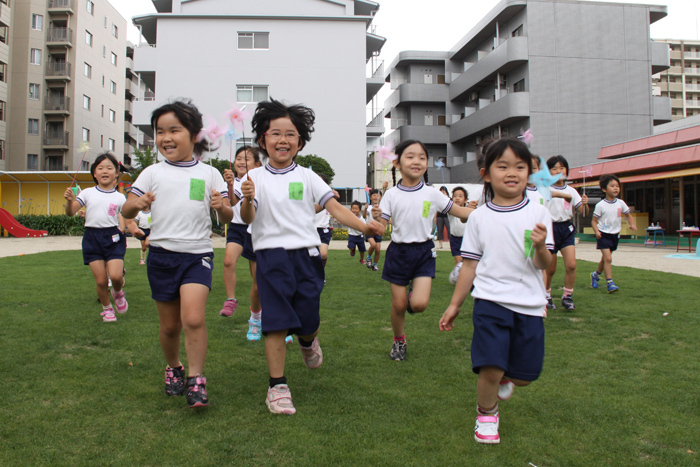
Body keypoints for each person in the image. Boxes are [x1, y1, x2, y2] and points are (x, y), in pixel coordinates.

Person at [240, 98, 383, 415]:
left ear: (300, 142)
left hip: (305, 258)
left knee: (309, 320)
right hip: (269, 257)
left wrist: (363, 226)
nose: (282, 140)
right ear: (263, 140)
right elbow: (248, 218)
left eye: (290, 134)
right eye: (275, 133)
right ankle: (277, 387)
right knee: (275, 323)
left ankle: (307, 341)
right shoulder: (253, 180)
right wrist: (247, 199)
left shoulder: (308, 176)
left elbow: (334, 208)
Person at [439, 137, 554, 445]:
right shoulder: (479, 217)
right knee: (490, 367)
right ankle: (486, 414)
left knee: (525, 377)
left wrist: (542, 245)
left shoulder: (539, 213)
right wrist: (455, 305)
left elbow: (544, 263)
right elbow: (470, 267)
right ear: (487, 173)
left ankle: (507, 377)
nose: (512, 172)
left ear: (529, 173)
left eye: (520, 166)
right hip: (489, 302)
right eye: (502, 166)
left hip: (529, 305)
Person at [122, 99, 233, 408]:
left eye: (174, 130)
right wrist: (138, 203)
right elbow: (126, 208)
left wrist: (221, 207)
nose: (166, 138)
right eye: (160, 131)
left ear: (194, 135)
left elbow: (226, 217)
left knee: (194, 319)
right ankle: (173, 368)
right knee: (170, 326)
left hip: (197, 254)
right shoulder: (151, 173)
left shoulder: (210, 174)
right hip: (160, 256)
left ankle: (196, 381)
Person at [373, 140, 474, 361]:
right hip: (398, 253)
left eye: (421, 157)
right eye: (410, 156)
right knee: (399, 305)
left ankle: (411, 292)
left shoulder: (433, 193)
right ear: (398, 163)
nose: (416, 161)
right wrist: (375, 218)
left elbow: (459, 212)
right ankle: (399, 341)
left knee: (418, 305)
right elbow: (381, 227)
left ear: (427, 163)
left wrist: (482, 212)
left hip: (424, 254)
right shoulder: (390, 195)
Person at [64, 152, 128, 323]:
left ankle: (118, 292)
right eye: (100, 168)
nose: (104, 171)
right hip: (92, 238)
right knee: (100, 281)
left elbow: (127, 215)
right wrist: (70, 201)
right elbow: (71, 212)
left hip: (113, 236)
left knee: (115, 276)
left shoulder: (120, 197)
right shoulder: (87, 193)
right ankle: (107, 309)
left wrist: (134, 228)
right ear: (94, 173)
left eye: (109, 168)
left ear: (116, 173)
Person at [220, 146, 267, 343]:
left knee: (271, 284)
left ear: (257, 165)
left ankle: (280, 322)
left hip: (262, 231)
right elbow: (231, 203)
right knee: (229, 262)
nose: (240, 161)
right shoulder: (239, 183)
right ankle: (239, 306)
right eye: (238, 158)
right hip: (241, 229)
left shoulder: (260, 179)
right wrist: (230, 184)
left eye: (246, 159)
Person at [545, 155, 588, 311]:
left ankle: (567, 296)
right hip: (549, 229)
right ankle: (546, 295)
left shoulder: (572, 191)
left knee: (571, 265)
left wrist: (584, 204)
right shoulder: (544, 189)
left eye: (562, 168)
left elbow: (582, 212)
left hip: (566, 229)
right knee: (550, 269)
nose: (558, 171)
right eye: (554, 168)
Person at [590, 174, 636, 293]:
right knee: (608, 258)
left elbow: (628, 215)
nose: (616, 188)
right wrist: (597, 232)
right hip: (603, 234)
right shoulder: (600, 205)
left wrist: (632, 224)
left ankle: (595, 275)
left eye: (617, 186)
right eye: (612, 186)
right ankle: (610, 283)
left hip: (615, 235)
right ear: (604, 189)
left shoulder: (620, 203)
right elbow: (594, 221)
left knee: (605, 259)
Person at [447, 186, 469, 285]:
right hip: (455, 238)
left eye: (460, 196)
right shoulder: (451, 211)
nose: (457, 198)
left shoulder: (469, 210)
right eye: (455, 196)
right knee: (458, 260)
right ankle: (459, 279)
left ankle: (466, 278)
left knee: (467, 261)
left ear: (465, 200)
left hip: (466, 239)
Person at [315, 173, 334, 269]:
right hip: (310, 230)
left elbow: (336, 210)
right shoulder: (308, 195)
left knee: (323, 254)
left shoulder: (328, 197)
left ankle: (321, 274)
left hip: (323, 229)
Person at [363, 189, 383, 271]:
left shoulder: (382, 207)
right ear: (370, 197)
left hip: (378, 231)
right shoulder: (369, 208)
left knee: (378, 250)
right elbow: (364, 216)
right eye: (374, 195)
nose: (376, 197)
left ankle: (375, 265)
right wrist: (365, 209)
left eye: (378, 195)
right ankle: (368, 257)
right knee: (373, 245)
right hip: (370, 229)